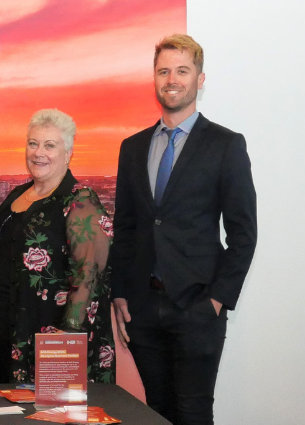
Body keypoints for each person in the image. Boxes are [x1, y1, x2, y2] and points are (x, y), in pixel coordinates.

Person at [109, 34, 257, 425]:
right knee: (156, 410)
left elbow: (243, 232)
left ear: (200, 79)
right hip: (141, 308)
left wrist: (216, 301)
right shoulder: (133, 147)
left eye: (181, 70)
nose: (171, 79)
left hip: (197, 306)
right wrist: (121, 292)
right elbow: (124, 227)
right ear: (154, 79)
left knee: (193, 413)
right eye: (163, 71)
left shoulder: (226, 145)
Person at [0, 109, 115, 384]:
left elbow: (91, 272)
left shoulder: (80, 201)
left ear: (68, 152)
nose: (38, 153)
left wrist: (70, 331)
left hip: (46, 343)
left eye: (50, 145)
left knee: (44, 416)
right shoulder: (16, 194)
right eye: (33, 143)